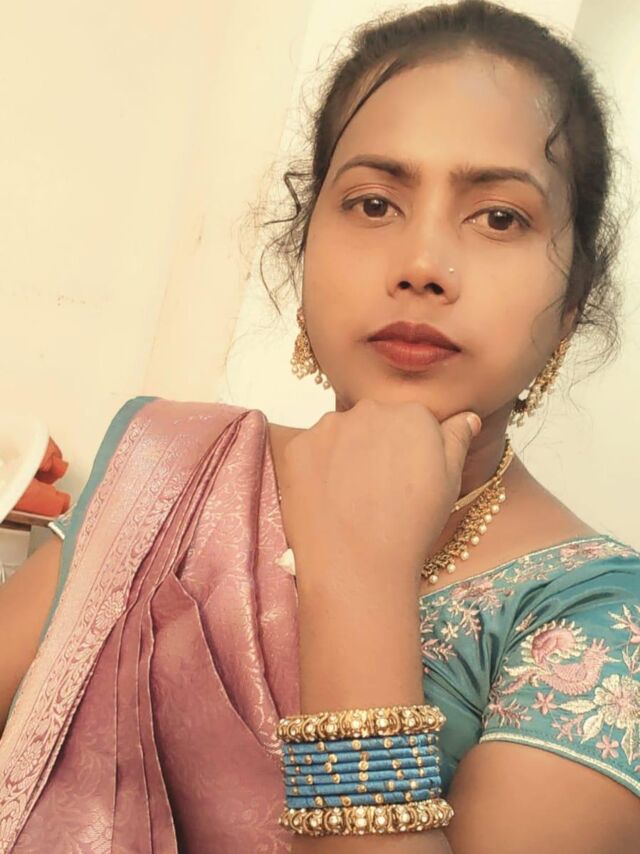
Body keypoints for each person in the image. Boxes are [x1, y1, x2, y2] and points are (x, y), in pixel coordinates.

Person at [1, 1, 639, 851]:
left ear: (572, 301)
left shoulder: (598, 620)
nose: (422, 265)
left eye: (499, 217)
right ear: (305, 249)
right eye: (373, 204)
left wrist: (362, 578)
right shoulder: (173, 474)